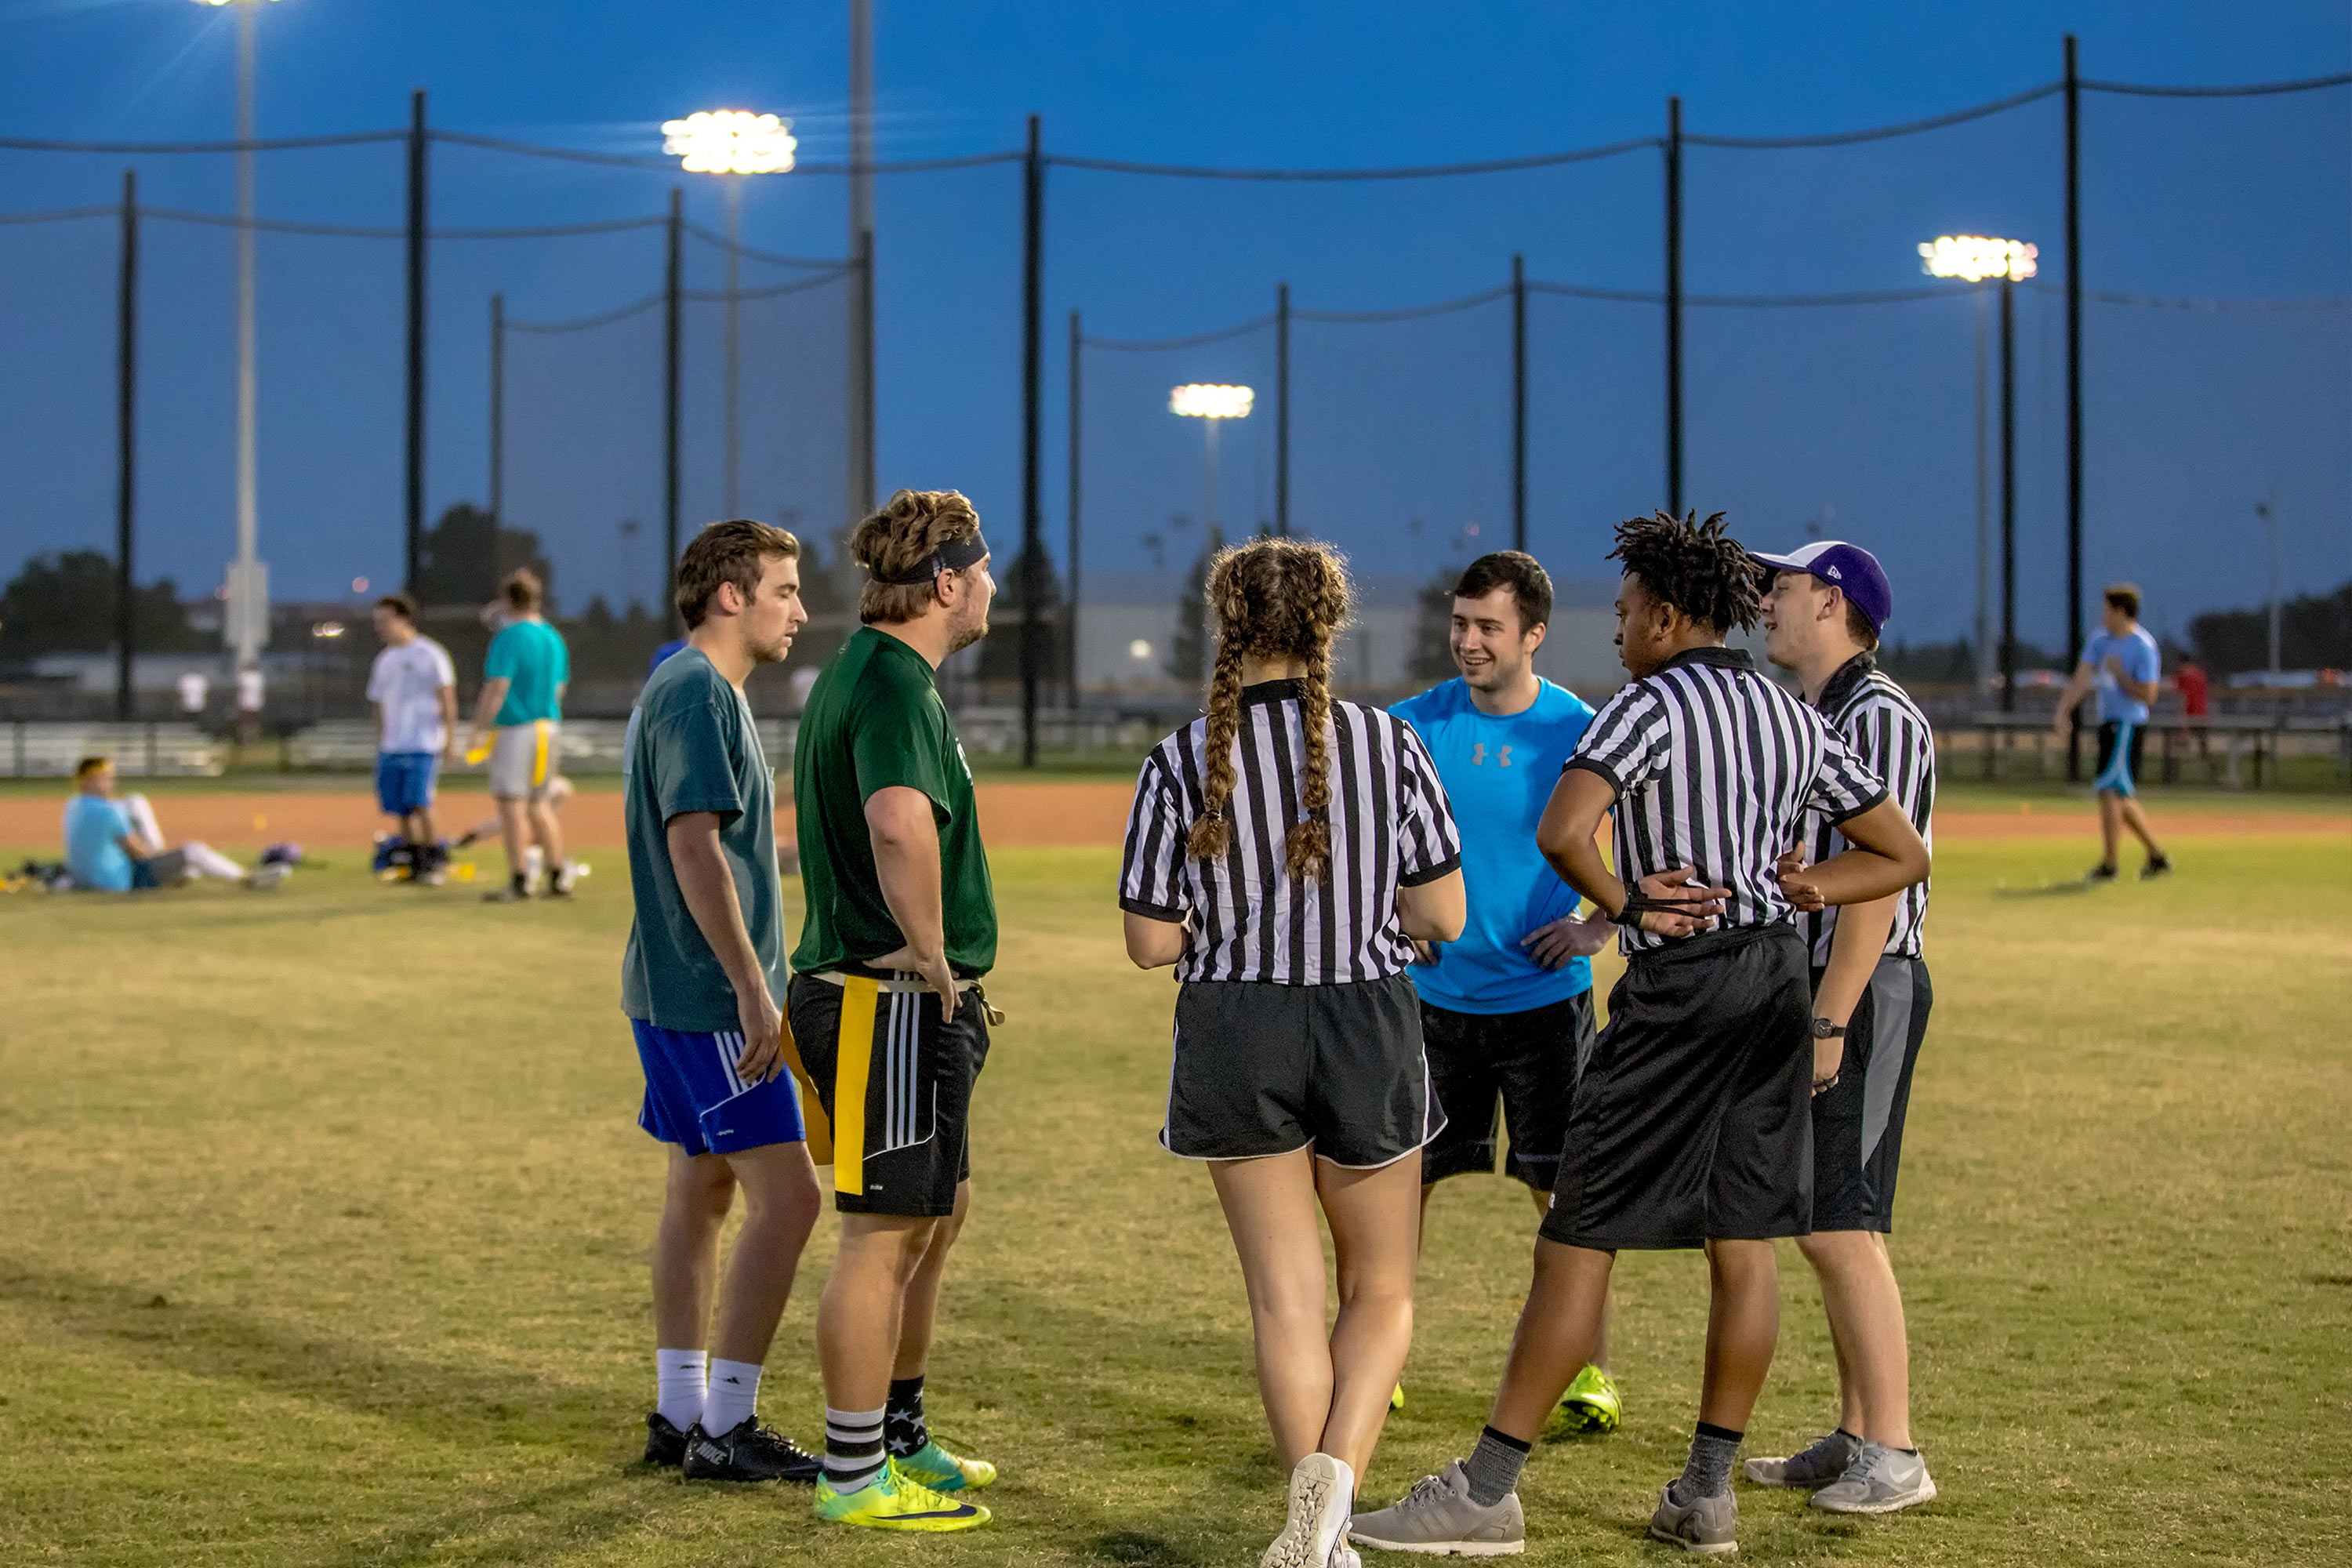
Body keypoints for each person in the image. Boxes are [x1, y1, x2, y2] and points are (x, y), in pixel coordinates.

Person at [1348, 510, 1930, 1559]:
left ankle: (1487, 1491)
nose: (1615, 631)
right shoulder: (1792, 715)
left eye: (1623, 612)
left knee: (1578, 1237)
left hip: (1683, 988)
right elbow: (1898, 851)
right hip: (1772, 989)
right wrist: (1805, 883)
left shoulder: (1645, 707)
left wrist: (1631, 903)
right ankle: (1706, 1496)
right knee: (1744, 1243)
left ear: (1666, 615)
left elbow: (1563, 830)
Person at [1123, 537, 1467, 1568]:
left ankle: (1313, 1526)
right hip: (1367, 1019)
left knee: (1285, 1298)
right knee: (1383, 1292)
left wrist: (1225, 927)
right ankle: (1338, 1497)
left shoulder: (1183, 756)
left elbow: (1150, 941)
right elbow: (1443, 909)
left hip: (1236, 1025)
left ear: (1227, 627)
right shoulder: (1389, 744)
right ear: (1329, 627)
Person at [789, 488, 1001, 1533]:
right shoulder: (891, 686)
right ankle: (854, 1472)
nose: (994, 583)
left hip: (896, 1001)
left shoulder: (878, 676)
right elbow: (898, 822)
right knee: (881, 1237)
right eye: (985, 565)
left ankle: (900, 1431)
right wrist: (928, 953)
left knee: (935, 1215)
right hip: (884, 1000)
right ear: (948, 583)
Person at [1388, 551, 1624, 1435]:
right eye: (1460, 623)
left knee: (1567, 1194)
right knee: (1399, 1185)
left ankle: (1588, 1369)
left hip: (1544, 1004)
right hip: (1430, 1000)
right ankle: (1384, 1354)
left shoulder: (1581, 728)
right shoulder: (1411, 726)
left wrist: (1600, 928)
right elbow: (1369, 840)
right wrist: (1396, 917)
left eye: (1489, 626)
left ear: (1534, 633)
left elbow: (1631, 847)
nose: (1469, 641)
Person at [623, 519, 826, 1485]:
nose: (801, 608)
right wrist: (754, 989)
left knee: (701, 1189)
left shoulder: (697, 687)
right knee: (789, 1199)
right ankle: (725, 1424)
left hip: (676, 988)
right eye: (785, 588)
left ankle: (678, 1408)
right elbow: (693, 845)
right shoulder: (700, 691)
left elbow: (724, 846)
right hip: (706, 996)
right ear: (730, 595)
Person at [1751, 539, 1940, 1513]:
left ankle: (1896, 1450)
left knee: (1840, 1219)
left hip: (1864, 984)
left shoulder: (1877, 715)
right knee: (1827, 1214)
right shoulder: (1830, 713)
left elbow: (1880, 882)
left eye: (1780, 588)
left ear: (1831, 603)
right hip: (1835, 982)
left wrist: (1830, 1016)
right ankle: (1861, 1427)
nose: (1765, 602)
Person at [466, 568, 574, 902]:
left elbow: (497, 686)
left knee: (511, 804)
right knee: (539, 803)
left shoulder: (509, 638)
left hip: (516, 728)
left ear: (507, 600)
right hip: (548, 726)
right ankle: (557, 875)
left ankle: (520, 878)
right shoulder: (552, 636)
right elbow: (560, 687)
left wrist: (478, 728)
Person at [2053, 584, 2171, 883]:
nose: (2103, 615)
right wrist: (2064, 710)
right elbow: (2082, 678)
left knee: (2108, 792)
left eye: (2107, 609)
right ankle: (2157, 856)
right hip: (2109, 724)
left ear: (2121, 611)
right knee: (2119, 796)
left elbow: (2149, 695)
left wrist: (2121, 676)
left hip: (2127, 726)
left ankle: (2110, 864)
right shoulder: (2100, 641)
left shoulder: (2142, 646)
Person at [62, 756, 273, 891]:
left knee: (135, 801)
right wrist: (158, 855)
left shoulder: (72, 806)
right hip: (117, 883)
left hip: (82, 882)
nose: (111, 783)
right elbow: (139, 852)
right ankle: (247, 878)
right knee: (193, 852)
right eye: (105, 778)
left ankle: (184, 872)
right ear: (87, 781)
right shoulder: (111, 811)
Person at [367, 593, 459, 884]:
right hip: (393, 745)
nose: (380, 627)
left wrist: (449, 738)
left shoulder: (429, 653)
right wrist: (381, 741)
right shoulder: (384, 660)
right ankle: (414, 861)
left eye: (385, 621)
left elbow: (446, 697)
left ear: (403, 619)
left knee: (421, 803)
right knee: (401, 809)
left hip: (423, 743)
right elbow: (379, 703)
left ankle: (434, 860)